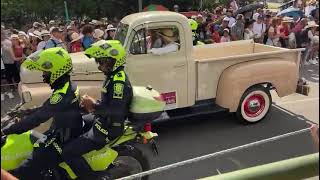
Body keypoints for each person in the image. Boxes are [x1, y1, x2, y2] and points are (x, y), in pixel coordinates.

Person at [1, 47, 83, 179]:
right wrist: (25, 112)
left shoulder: (62, 94)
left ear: (56, 70)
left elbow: (37, 119)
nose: (43, 75)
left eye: (45, 71)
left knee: (24, 170)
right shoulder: (66, 86)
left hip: (63, 138)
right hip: (63, 131)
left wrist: (6, 131)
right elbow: (47, 107)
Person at [61, 40, 133, 179]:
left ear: (113, 61)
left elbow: (114, 110)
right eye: (98, 62)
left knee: (68, 152)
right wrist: (88, 105)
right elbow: (111, 103)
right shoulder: (112, 76)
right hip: (103, 120)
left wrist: (93, 105)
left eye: (102, 62)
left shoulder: (118, 82)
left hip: (109, 127)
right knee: (74, 122)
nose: (99, 66)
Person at [1, 32, 22, 99]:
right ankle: (11, 88)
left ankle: (19, 88)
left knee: (15, 75)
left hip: (11, 62)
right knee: (8, 76)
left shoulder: (7, 42)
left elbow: (10, 49)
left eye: (2, 34)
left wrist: (3, 46)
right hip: (4, 63)